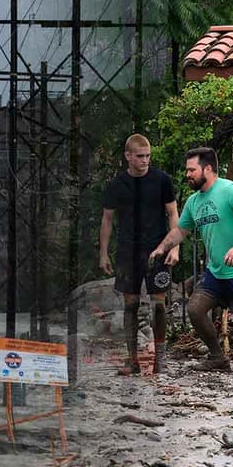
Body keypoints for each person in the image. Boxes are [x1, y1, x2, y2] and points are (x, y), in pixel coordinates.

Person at [148, 147, 233, 375]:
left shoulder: (230, 190)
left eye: (192, 170)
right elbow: (181, 230)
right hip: (216, 274)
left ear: (207, 169)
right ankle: (218, 358)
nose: (187, 174)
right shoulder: (193, 201)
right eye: (187, 170)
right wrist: (162, 247)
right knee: (195, 309)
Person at [99, 134, 178, 375]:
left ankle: (160, 362)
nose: (145, 161)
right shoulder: (116, 185)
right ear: (128, 156)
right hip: (127, 250)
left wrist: (175, 246)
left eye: (148, 156)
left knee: (159, 306)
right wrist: (103, 253)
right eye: (140, 156)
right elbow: (107, 219)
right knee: (131, 305)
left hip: (158, 248)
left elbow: (174, 214)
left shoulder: (162, 180)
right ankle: (132, 360)